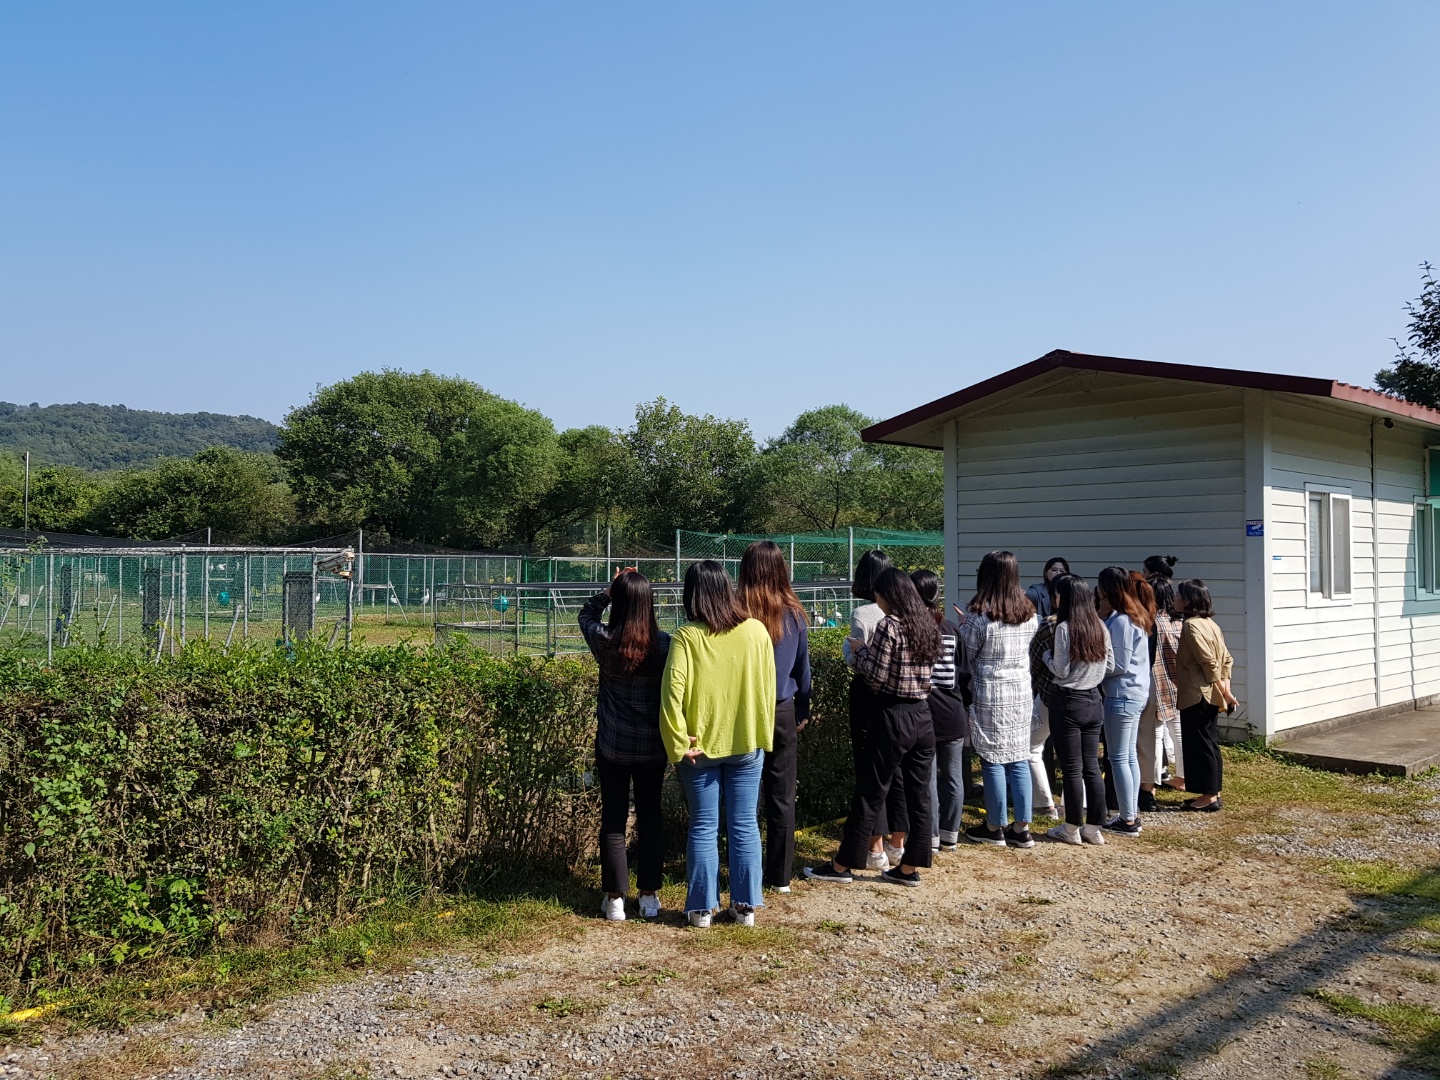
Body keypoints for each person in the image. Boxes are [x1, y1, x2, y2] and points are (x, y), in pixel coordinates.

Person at [805, 568, 940, 886]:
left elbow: (877, 675)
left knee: (870, 792)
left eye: (878, 597)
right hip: (923, 715)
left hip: (892, 715)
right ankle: (909, 867)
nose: (877, 603)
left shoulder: (889, 625)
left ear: (888, 596)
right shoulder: (927, 622)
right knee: (918, 796)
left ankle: (842, 866)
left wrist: (859, 650)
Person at [661, 560, 776, 928]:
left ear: (690, 594)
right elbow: (767, 688)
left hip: (700, 750)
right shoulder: (757, 630)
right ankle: (745, 907)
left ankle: (700, 909)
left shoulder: (686, 636)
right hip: (746, 744)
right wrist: (761, 734)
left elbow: (671, 696)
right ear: (728, 588)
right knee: (745, 824)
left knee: (703, 826)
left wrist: (678, 743)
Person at [579, 568, 672, 922]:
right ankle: (648, 896)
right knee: (650, 816)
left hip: (613, 745)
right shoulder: (665, 644)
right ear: (649, 603)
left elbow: (585, 615)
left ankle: (615, 898)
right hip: (653, 748)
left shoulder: (605, 640)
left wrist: (608, 591)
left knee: (614, 818)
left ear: (618, 603)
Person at [737, 541, 812, 893]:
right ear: (782, 570)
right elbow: (803, 670)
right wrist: (803, 709)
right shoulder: (795, 614)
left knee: (742, 795)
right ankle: (780, 877)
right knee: (782, 796)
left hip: (743, 711)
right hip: (782, 710)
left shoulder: (736, 611)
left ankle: (743, 870)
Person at [958, 551, 1039, 849]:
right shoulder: (1029, 612)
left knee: (991, 758)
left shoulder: (980, 616)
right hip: (1020, 692)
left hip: (989, 692)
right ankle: (1023, 827)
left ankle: (995, 826)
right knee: (1019, 756)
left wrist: (963, 624)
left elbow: (966, 656)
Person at [1042, 575, 1115, 845]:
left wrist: (1046, 657)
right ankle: (1094, 828)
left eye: (1058, 594)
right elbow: (1109, 666)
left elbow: (1060, 669)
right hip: (1094, 700)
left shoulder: (1065, 628)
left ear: (1066, 598)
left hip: (1068, 701)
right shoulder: (1100, 625)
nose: (1056, 599)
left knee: (1071, 769)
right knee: (1091, 768)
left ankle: (1071, 827)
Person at [844, 550, 904, 869]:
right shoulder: (908, 612)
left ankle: (875, 849)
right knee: (896, 769)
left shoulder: (863, 614)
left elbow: (859, 663)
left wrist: (850, 650)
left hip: (868, 695)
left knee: (870, 772)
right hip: (898, 698)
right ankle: (898, 844)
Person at [910, 569, 968, 851]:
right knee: (953, 777)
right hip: (954, 711)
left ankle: (929, 837)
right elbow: (964, 671)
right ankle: (950, 835)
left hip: (924, 713)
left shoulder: (912, 628)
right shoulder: (951, 628)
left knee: (928, 778)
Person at [1096, 567, 1152, 836]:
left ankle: (1127, 819)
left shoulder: (1120, 621)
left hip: (1121, 694)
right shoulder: (1135, 616)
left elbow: (1117, 664)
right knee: (1128, 756)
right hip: (1135, 693)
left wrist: (1091, 667)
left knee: (1118, 758)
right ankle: (1130, 814)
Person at [1173, 579, 1237, 812]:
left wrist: (1225, 692)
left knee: (1200, 745)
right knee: (1210, 743)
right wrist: (1226, 690)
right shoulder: (1211, 624)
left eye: (1178, 595)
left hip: (1197, 694)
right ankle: (1212, 792)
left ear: (1189, 600)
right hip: (1212, 694)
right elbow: (1226, 660)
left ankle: (1209, 796)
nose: (1175, 599)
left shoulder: (1190, 626)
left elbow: (1208, 662)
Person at [1139, 572, 1184, 811]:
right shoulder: (1179, 620)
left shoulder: (1152, 621)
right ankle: (1184, 778)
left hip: (1156, 681)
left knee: (1154, 735)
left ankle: (1151, 782)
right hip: (1178, 682)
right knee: (1178, 731)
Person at [1027, 577, 1062, 819]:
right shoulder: (1098, 625)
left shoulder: (1050, 625)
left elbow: (1035, 660)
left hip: (1051, 695)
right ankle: (1077, 807)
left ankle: (1044, 804)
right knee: (1078, 757)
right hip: (1089, 699)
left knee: (1031, 746)